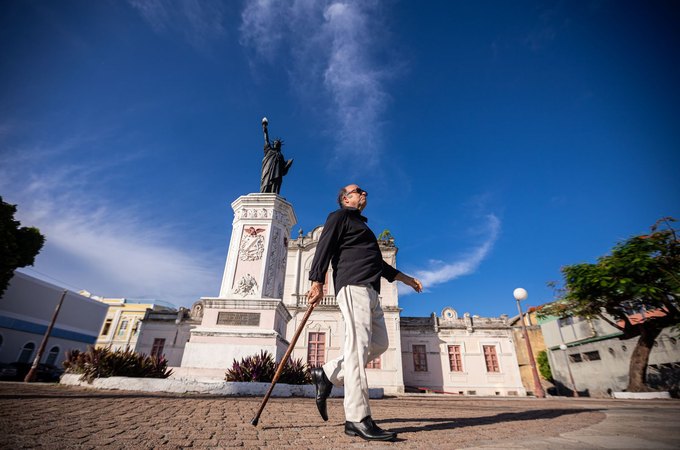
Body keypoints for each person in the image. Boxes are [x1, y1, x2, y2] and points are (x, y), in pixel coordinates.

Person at [306, 184, 423, 442]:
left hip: (371, 290)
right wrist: (316, 281)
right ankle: (358, 419)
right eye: (359, 190)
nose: (365, 193)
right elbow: (323, 248)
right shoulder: (339, 217)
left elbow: (377, 263)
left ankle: (326, 374)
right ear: (345, 198)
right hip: (352, 286)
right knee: (357, 351)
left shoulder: (363, 228)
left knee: (380, 343)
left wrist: (405, 278)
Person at [260, 119, 292, 194]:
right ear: (273, 144)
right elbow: (266, 139)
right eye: (275, 143)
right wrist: (265, 128)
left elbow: (283, 171)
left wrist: (288, 165)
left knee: (275, 188)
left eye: (278, 143)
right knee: (266, 184)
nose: (276, 144)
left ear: (280, 146)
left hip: (277, 174)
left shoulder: (281, 156)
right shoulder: (269, 150)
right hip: (268, 172)